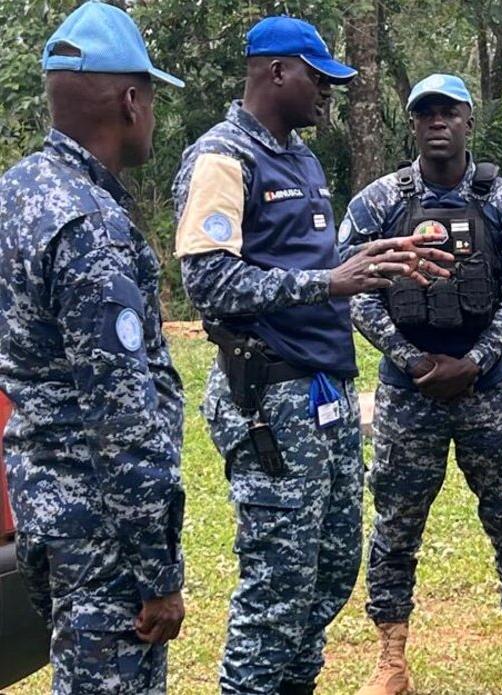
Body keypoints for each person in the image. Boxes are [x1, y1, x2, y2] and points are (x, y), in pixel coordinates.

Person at [172, 18, 451, 695]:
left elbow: (300, 263)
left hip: (323, 391)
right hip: (268, 397)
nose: (328, 91)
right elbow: (209, 283)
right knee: (277, 587)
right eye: (318, 78)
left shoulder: (298, 156)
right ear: (276, 72)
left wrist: (362, 261)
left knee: (328, 573)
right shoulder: (222, 157)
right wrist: (330, 280)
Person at [341, 73, 502, 695]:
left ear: (468, 121)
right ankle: (390, 660)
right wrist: (411, 360)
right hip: (408, 390)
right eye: (426, 113)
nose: (438, 122)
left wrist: (480, 360)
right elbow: (357, 291)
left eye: (450, 112)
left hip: (487, 388)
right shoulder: (378, 202)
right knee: (395, 523)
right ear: (413, 124)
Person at [0, 3, 186, 693]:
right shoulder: (87, 226)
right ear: (131, 101)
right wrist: (158, 574)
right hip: (102, 532)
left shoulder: (18, 193)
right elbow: (121, 418)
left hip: (44, 508)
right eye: (155, 97)